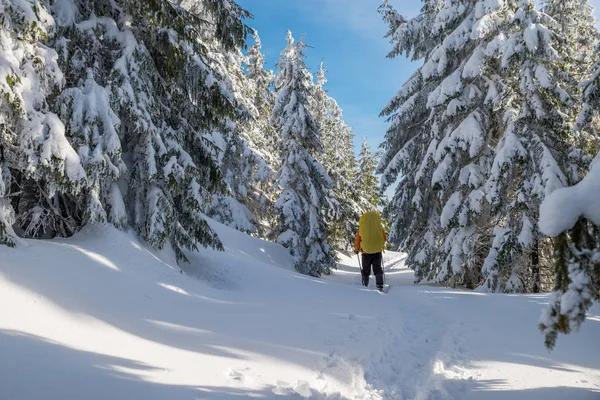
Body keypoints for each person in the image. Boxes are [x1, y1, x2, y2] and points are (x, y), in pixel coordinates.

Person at [354, 211, 387, 290]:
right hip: (377, 252)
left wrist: (356, 249)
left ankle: (365, 284)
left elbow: (357, 240)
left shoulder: (361, 228)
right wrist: (380, 245)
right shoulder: (379, 227)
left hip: (365, 252)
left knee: (365, 269)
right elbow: (384, 238)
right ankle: (379, 284)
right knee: (378, 269)